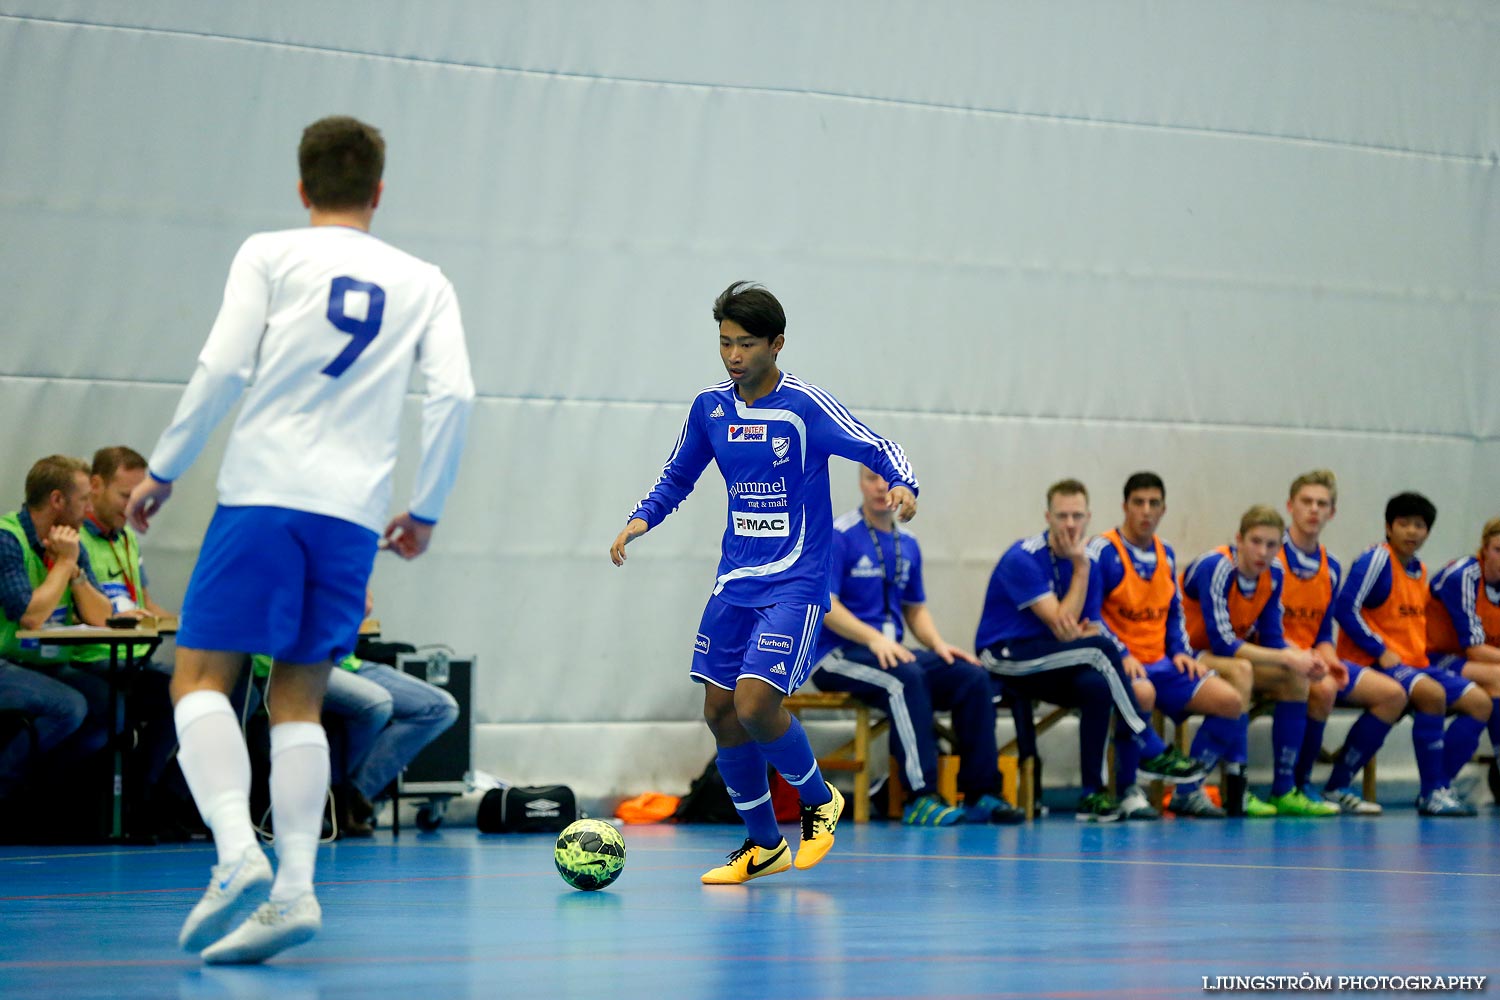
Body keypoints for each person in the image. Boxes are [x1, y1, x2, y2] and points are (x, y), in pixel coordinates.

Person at [125, 115, 475, 963]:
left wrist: (164, 469)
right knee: (299, 699)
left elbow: (222, 368)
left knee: (200, 677)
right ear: (379, 192)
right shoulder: (423, 279)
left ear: (302, 185)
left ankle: (237, 854)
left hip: (266, 497)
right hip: (352, 515)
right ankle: (294, 891)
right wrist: (423, 508)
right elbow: (455, 396)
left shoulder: (270, 254)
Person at [610, 281, 916, 884]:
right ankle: (762, 845)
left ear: (777, 344)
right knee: (720, 713)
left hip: (796, 583)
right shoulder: (710, 409)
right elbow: (677, 476)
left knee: (754, 704)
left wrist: (903, 483)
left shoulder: (805, 409)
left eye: (745, 344)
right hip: (735, 583)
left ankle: (819, 799)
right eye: (724, 343)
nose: (732, 356)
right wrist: (637, 522)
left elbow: (878, 446)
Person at [975, 479, 1206, 822]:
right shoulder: (1023, 558)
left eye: (1077, 516)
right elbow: (1062, 623)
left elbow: (1087, 623)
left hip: (1051, 657)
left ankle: (1091, 795)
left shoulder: (1085, 558)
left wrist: (1080, 580)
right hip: (1005, 656)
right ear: (1047, 516)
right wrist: (1081, 569)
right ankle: (1149, 745)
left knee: (1096, 685)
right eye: (1062, 516)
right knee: (1098, 651)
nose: (1070, 524)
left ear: (1088, 517)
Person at [809, 466, 1023, 827]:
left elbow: (915, 609)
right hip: (838, 656)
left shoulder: (907, 543)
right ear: (860, 484)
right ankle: (920, 796)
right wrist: (874, 638)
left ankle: (981, 792)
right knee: (904, 678)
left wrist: (940, 646)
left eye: (886, 479)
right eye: (871, 479)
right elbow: (827, 605)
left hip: (890, 652)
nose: (880, 487)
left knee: (971, 677)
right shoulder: (839, 535)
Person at [1088, 472, 1246, 820]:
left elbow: (1174, 614)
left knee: (1230, 701)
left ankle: (1188, 791)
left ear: (1163, 509)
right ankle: (1130, 788)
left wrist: (1180, 652)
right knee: (1141, 694)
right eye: (1138, 503)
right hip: (1119, 664)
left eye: (1154, 504)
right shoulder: (1102, 550)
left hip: (1161, 663)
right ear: (1124, 507)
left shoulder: (1166, 554)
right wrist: (1122, 654)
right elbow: (1090, 616)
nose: (1146, 511)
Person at [1334, 493, 1484, 816]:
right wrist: (1380, 649)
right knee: (1431, 695)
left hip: (1415, 663)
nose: (1412, 532)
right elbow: (1345, 608)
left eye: (1419, 526)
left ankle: (1439, 785)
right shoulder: (1376, 560)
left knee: (1480, 703)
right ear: (1388, 527)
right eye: (1404, 524)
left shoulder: (1420, 570)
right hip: (1371, 662)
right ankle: (1345, 782)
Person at [1177, 506, 1323, 817]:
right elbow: (1223, 642)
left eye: (1271, 545)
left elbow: (1272, 636)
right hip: (1186, 653)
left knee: (1295, 677)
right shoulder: (1216, 567)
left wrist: (1302, 657)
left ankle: (1284, 788)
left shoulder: (1275, 574)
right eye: (1256, 542)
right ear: (1239, 540)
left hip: (1224, 657)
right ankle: (1226, 788)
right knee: (1242, 671)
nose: (1262, 552)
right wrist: (1286, 656)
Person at [1275, 470, 1405, 815]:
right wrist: (1308, 660)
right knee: (1324, 688)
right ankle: (1298, 783)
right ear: (1290, 506)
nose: (1313, 510)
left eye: (1322, 504)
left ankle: (1338, 783)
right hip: (1277, 656)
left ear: (1332, 512)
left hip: (1313, 657)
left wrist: (1329, 658)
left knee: (1392, 695)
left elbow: (1322, 633)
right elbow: (1259, 627)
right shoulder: (1272, 557)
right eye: (1306, 502)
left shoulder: (1330, 566)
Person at [76, 445, 183, 837]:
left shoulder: (126, 539)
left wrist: (189, 622)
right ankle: (132, 802)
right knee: (160, 700)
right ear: (96, 485)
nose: (133, 504)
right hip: (91, 658)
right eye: (126, 496)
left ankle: (151, 796)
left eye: (139, 496)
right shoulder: (75, 540)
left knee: (192, 697)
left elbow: (146, 605)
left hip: (135, 659)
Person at [0, 456, 113, 800]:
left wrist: (75, 570)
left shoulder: (70, 543)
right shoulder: (8, 539)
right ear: (57, 500)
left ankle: (48, 795)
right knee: (70, 706)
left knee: (111, 705)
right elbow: (30, 617)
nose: (90, 509)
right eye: (83, 500)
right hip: (7, 663)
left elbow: (102, 616)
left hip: (46, 664)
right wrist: (64, 563)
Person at [1425, 515, 1500, 796]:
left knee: (1491, 688)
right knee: (1497, 679)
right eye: (1498, 550)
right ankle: (1437, 785)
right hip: (1432, 657)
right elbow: (1474, 649)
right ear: (1483, 548)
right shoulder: (1464, 576)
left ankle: (1440, 784)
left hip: (1471, 663)